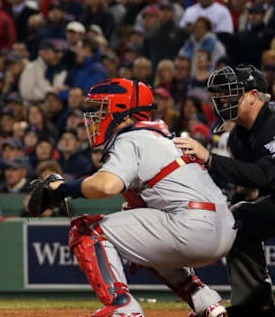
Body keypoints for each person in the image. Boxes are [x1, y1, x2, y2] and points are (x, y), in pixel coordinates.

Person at [31, 78, 232, 317]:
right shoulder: (161, 135)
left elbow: (106, 186)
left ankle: (122, 308)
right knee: (155, 250)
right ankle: (207, 304)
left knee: (86, 230)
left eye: (101, 108)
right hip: (223, 227)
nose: (95, 116)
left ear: (122, 111)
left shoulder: (131, 137)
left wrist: (63, 188)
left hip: (192, 224)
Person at [174, 65, 275, 316]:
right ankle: (255, 304)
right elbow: (253, 184)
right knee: (237, 219)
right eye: (219, 96)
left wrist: (210, 158)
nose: (222, 101)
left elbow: (265, 174)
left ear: (253, 95)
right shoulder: (238, 137)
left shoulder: (273, 122)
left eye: (230, 94)